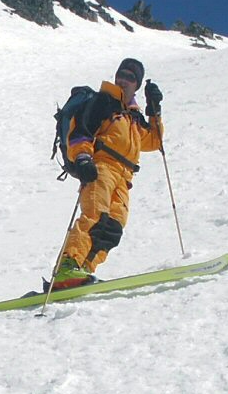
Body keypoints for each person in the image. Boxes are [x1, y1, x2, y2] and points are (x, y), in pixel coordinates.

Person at [52, 57, 164, 288]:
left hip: (125, 177)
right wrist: (83, 158)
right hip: (101, 167)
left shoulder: (133, 117)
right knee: (95, 216)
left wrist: (155, 110)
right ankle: (68, 265)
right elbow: (81, 131)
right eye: (121, 74)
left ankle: (81, 271)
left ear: (137, 85)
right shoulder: (104, 101)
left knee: (112, 227)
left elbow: (154, 140)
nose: (123, 80)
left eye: (130, 77)